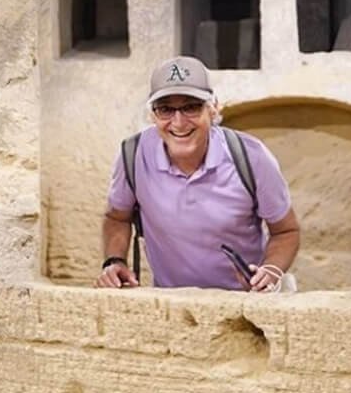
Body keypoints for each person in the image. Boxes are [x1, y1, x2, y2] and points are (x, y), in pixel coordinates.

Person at [96, 56, 300, 292]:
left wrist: (272, 270)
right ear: (152, 115)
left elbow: (286, 231)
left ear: (213, 109)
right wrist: (114, 261)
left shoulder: (251, 157)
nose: (179, 122)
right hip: (173, 306)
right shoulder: (133, 155)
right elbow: (117, 218)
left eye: (191, 107)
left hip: (245, 304)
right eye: (165, 109)